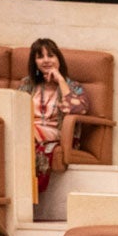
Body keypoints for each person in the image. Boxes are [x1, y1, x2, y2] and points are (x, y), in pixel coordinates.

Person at [17, 39, 90, 195]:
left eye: (50, 55)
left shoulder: (73, 86)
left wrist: (61, 80)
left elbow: (78, 109)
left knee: (22, 135)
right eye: (40, 57)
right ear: (34, 62)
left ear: (58, 59)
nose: (46, 60)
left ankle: (27, 191)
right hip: (27, 132)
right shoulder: (27, 84)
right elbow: (15, 109)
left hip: (58, 133)